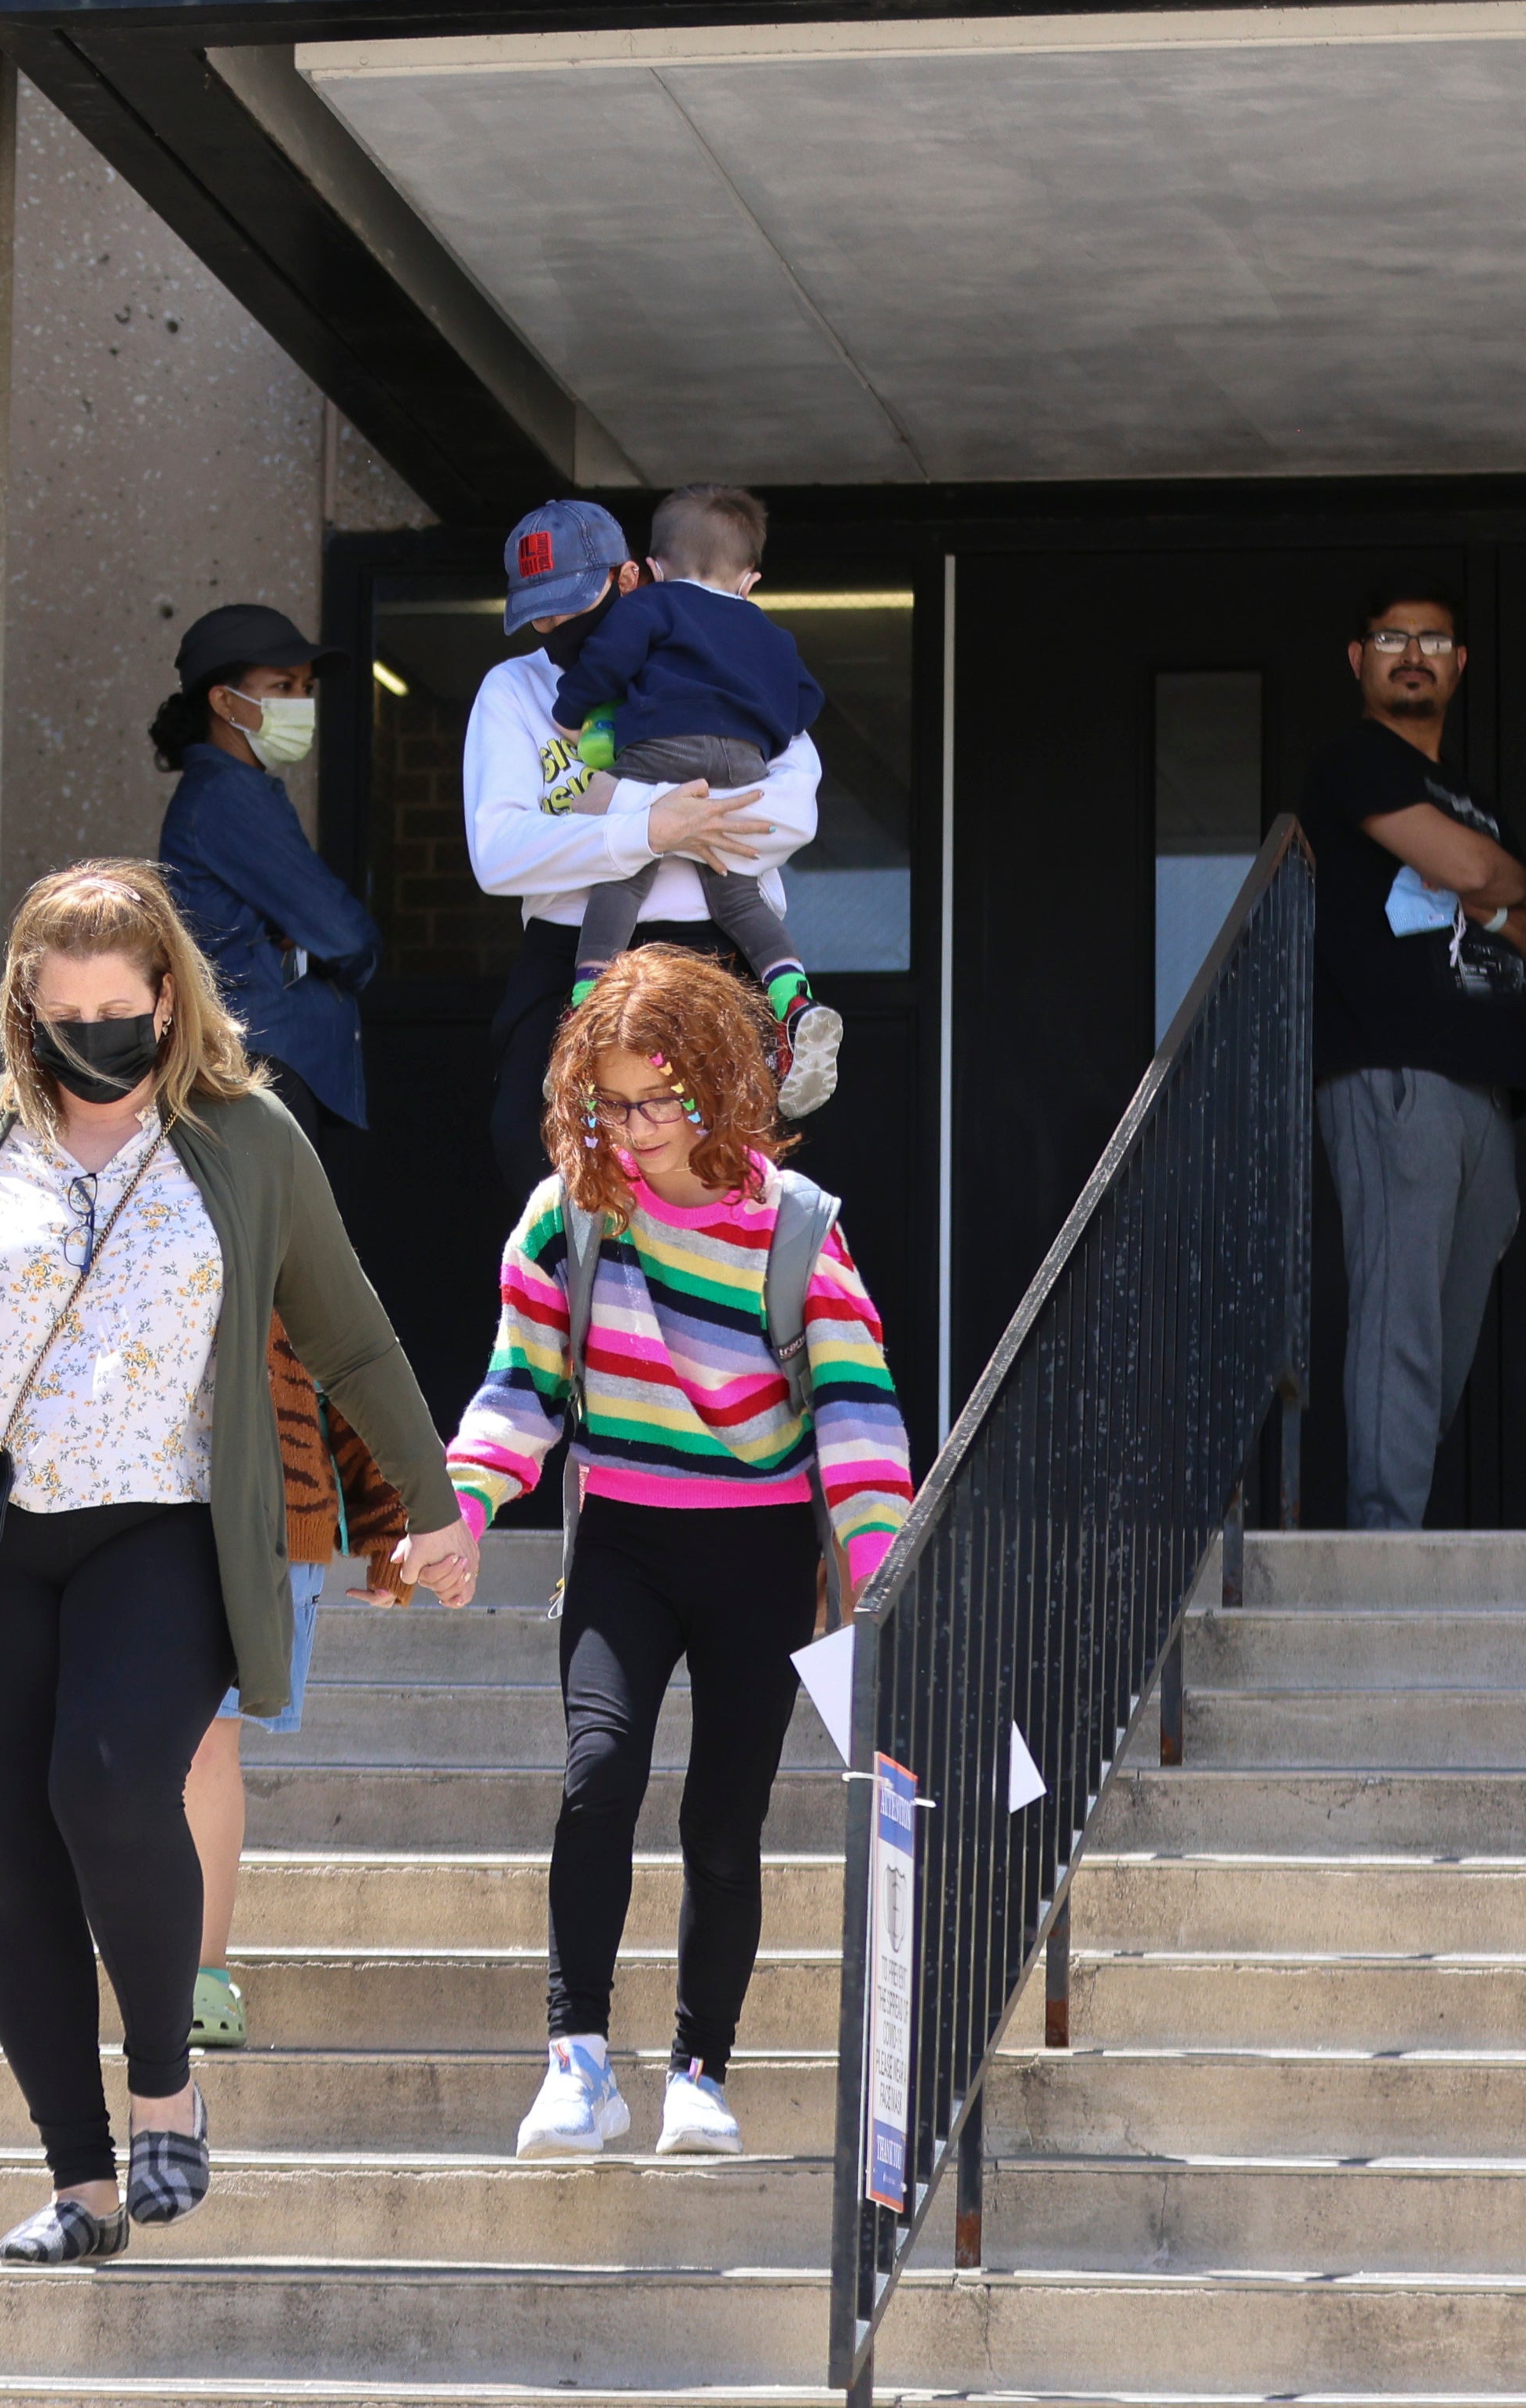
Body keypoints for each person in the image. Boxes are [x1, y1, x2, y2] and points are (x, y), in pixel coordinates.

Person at [0, 862, 474, 2263]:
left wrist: (431, 1498)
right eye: (66, 1016)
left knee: (105, 1779)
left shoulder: (246, 1139)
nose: (95, 1036)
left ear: (168, 998)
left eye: (122, 1009)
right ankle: (80, 2186)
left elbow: (348, 1333)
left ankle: (164, 2078)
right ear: (25, 1017)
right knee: (5, 1866)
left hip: (163, 1528)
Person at [446, 945, 912, 2162]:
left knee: (724, 1815)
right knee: (596, 1772)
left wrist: (874, 1567)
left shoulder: (796, 1227)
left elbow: (857, 1420)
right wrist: (463, 1502)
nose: (637, 1127)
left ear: (719, 1083)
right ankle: (577, 2060)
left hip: (757, 1552)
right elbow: (519, 1387)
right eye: (612, 1101)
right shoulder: (569, 1210)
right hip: (623, 1543)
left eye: (661, 1099)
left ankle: (700, 2072)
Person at [1302, 586, 1526, 1533]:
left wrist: (1498, 892)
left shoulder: (1472, 796)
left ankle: (1398, 1515)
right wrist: (1500, 885)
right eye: (1390, 637)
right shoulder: (1353, 761)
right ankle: (1383, 1545)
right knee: (1399, 1319)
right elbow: (1476, 874)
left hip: (1484, 1087)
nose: (1410, 652)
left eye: (1430, 639)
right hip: (1391, 1071)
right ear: (1358, 659)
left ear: (1459, 662)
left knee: (1443, 1331)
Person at [464, 497, 813, 1203]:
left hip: (713, 949)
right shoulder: (516, 688)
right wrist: (651, 829)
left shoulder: (727, 656)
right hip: (574, 951)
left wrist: (610, 816)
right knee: (538, 1152)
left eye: (568, 606)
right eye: (536, 613)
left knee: (723, 1173)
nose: (551, 628)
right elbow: (497, 853)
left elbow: (789, 814)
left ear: (629, 580)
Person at [549, 483, 845, 1112]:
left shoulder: (652, 607)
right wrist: (756, 731)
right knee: (735, 882)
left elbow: (607, 663)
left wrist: (571, 712)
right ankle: (795, 997)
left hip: (663, 747)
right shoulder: (769, 632)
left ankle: (584, 1014)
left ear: (652, 569)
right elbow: (806, 703)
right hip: (741, 762)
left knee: (622, 870)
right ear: (749, 580)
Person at [185, 1331, 412, 2051]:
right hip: (112, 1507)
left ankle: (200, 1977)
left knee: (203, 1746)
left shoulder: (279, 1215)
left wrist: (391, 1525)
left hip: (263, 1514)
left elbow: (350, 1353)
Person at [154, 599, 379, 1200]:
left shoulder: (236, 789)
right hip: (266, 1062)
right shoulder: (227, 795)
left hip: (269, 1061)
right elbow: (345, 934)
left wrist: (310, 936)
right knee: (277, 1277)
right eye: (280, 686)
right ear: (224, 703)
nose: (299, 701)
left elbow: (321, 928)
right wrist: (330, 947)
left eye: (304, 687)